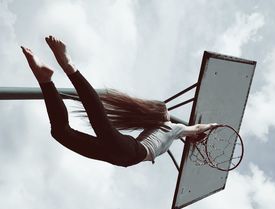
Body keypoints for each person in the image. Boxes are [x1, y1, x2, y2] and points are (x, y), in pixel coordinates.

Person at [21, 36, 217, 167]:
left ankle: (45, 80)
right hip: (128, 154)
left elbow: (195, 132)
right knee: (100, 123)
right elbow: (197, 128)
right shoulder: (173, 128)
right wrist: (213, 126)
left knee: (60, 133)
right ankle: (69, 66)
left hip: (118, 155)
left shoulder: (157, 129)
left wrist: (205, 130)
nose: (168, 112)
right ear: (163, 117)